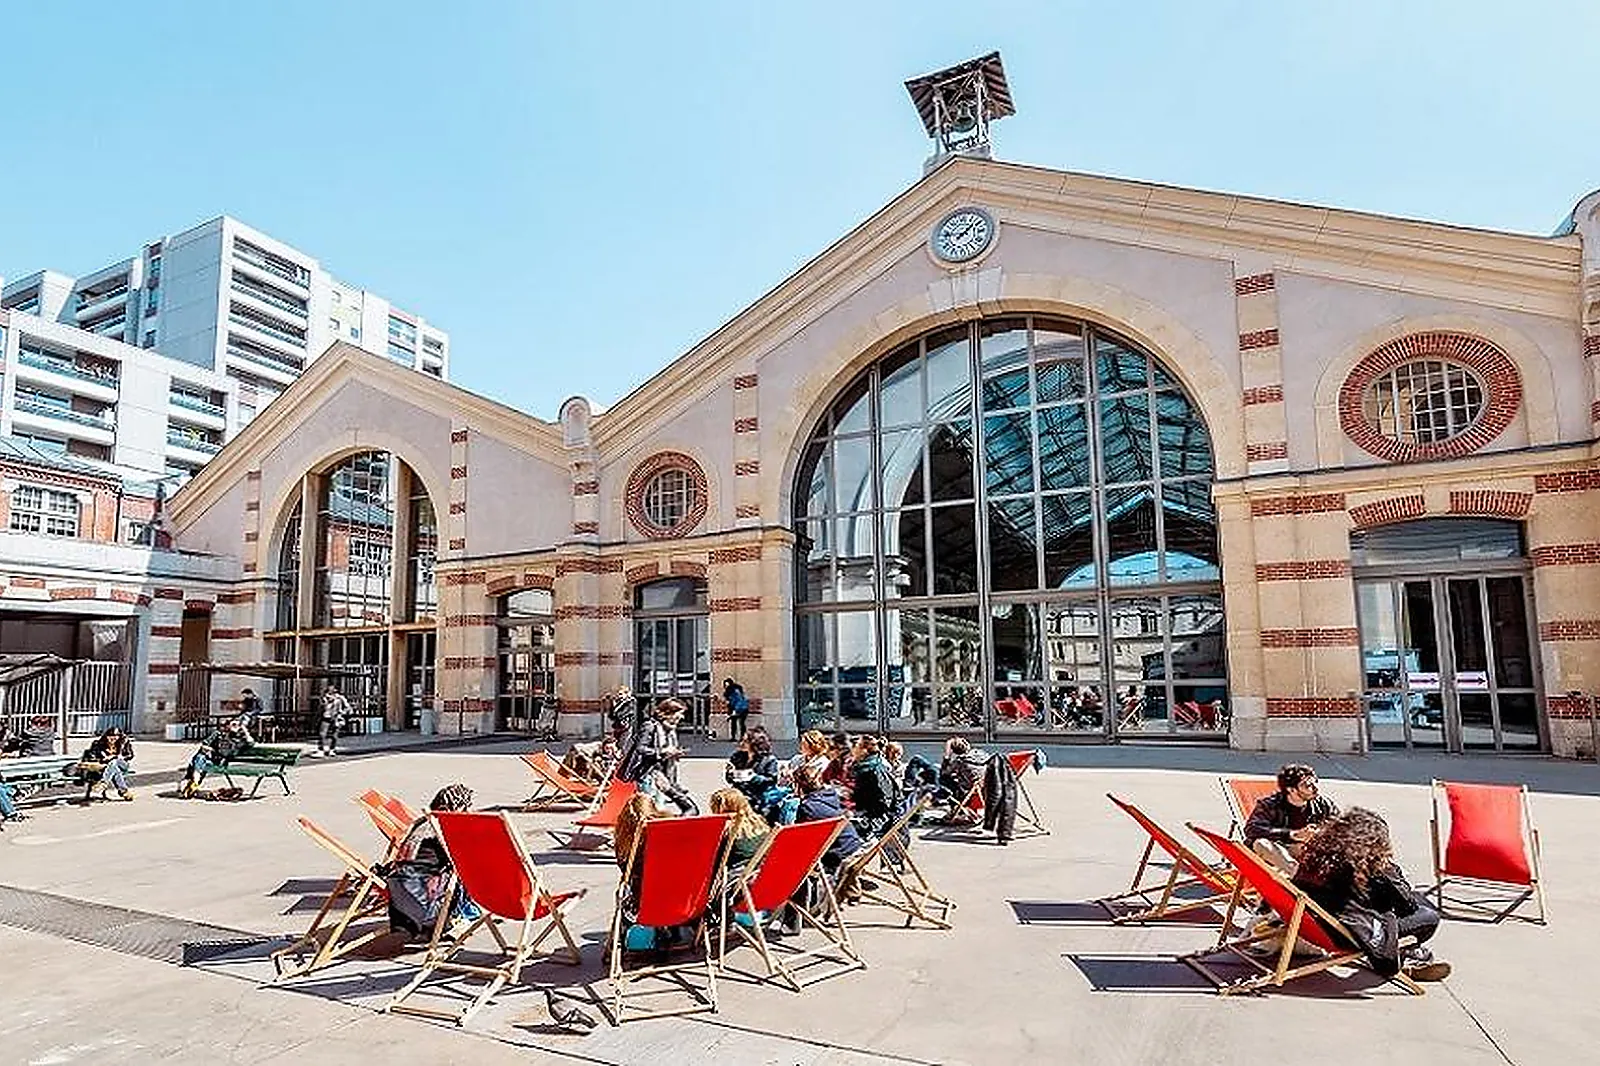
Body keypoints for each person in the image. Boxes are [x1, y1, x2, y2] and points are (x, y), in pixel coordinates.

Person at [1292, 807, 1451, 982]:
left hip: (1319, 924)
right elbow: (1406, 905)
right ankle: (1407, 954)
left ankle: (1410, 953)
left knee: (1415, 898)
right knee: (1429, 914)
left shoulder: (1320, 858)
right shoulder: (1372, 869)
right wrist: (1389, 868)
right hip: (1349, 934)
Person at [384, 783, 480, 939]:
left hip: (401, 885)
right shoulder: (440, 827)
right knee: (464, 871)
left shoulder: (422, 823)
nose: (468, 812)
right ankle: (456, 918)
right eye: (464, 808)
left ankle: (454, 917)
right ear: (447, 808)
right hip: (420, 899)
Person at [1244, 763, 1340, 875]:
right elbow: (1252, 829)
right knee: (1261, 844)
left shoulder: (1322, 804)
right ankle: (1297, 875)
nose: (1315, 789)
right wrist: (1291, 834)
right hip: (1278, 849)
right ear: (1291, 790)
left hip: (1304, 849)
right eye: (1308, 786)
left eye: (1315, 782)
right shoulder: (1270, 805)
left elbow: (1340, 825)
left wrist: (1318, 833)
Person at [621, 698, 697, 815]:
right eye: (680, 713)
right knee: (648, 809)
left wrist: (673, 753)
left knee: (658, 808)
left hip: (661, 774)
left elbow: (661, 752)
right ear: (668, 712)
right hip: (647, 774)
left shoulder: (669, 730)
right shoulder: (649, 726)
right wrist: (663, 751)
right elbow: (640, 749)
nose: (682, 717)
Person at [793, 766, 863, 876]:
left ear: (798, 785)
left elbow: (800, 841)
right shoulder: (829, 797)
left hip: (837, 857)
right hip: (853, 847)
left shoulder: (808, 807)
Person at [180, 715, 256, 798]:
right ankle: (194, 781)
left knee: (197, 760)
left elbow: (251, 743)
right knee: (200, 757)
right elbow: (205, 744)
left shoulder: (240, 739)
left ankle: (192, 781)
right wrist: (210, 750)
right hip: (210, 758)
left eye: (238, 725)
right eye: (233, 724)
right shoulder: (218, 734)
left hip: (221, 762)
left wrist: (245, 730)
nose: (236, 727)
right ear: (227, 725)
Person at [848, 736, 902, 838]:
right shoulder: (876, 764)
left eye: (855, 747)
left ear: (864, 750)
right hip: (883, 816)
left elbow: (881, 802)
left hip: (877, 822)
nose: (852, 750)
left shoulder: (868, 769)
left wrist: (851, 796)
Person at [709, 787, 772, 872]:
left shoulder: (727, 831)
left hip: (734, 874)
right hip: (759, 871)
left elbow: (715, 861)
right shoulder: (762, 825)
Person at [724, 726, 782, 808]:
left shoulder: (769, 760)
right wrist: (730, 773)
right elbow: (729, 779)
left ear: (754, 743)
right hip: (739, 794)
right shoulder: (737, 756)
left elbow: (772, 780)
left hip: (758, 796)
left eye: (745, 741)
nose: (741, 743)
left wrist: (754, 777)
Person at [937, 736, 987, 824]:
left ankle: (957, 809)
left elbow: (943, 773)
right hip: (985, 790)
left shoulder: (960, 761)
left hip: (969, 794)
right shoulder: (982, 754)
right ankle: (960, 810)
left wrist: (947, 756)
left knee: (944, 780)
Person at [79, 726, 135, 801]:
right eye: (110, 736)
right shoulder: (99, 743)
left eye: (116, 736)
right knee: (115, 769)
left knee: (114, 761)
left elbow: (130, 755)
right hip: (108, 766)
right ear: (106, 736)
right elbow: (92, 755)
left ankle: (103, 782)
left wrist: (115, 756)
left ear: (119, 736)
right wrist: (102, 759)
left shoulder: (124, 742)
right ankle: (124, 791)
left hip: (122, 764)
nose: (113, 738)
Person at [317, 684, 352, 757]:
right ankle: (321, 750)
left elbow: (348, 708)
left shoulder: (340, 698)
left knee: (334, 735)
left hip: (337, 718)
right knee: (322, 734)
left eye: (331, 691)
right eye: (328, 691)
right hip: (326, 717)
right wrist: (324, 703)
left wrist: (341, 713)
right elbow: (321, 708)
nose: (329, 694)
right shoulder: (324, 698)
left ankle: (332, 749)